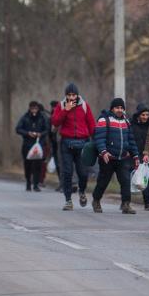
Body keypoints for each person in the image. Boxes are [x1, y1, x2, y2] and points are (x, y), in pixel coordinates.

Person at [51, 82, 95, 211]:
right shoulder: (61, 106)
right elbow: (55, 122)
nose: (71, 97)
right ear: (66, 95)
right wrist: (66, 110)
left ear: (77, 95)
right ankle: (68, 200)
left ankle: (82, 191)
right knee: (67, 173)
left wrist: (96, 141)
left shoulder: (84, 106)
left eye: (73, 95)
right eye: (69, 95)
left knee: (83, 173)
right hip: (66, 143)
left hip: (82, 143)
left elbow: (92, 125)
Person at [91, 98, 140, 214]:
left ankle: (126, 204)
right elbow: (99, 138)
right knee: (103, 182)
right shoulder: (104, 120)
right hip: (107, 158)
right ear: (112, 109)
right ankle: (96, 200)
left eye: (122, 108)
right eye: (117, 108)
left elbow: (131, 140)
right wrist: (103, 151)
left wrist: (135, 156)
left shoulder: (126, 122)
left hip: (123, 158)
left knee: (125, 181)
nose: (120, 110)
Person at [16, 101, 49, 191]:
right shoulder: (25, 117)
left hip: (39, 144)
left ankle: (36, 184)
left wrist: (40, 134)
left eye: (35, 108)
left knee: (38, 165)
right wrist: (28, 133)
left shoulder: (42, 117)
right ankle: (28, 182)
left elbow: (47, 129)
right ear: (30, 108)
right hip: (27, 144)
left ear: (38, 109)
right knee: (28, 165)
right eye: (32, 109)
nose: (34, 110)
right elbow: (18, 129)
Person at [131, 103, 149, 211]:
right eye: (143, 115)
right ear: (138, 115)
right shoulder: (131, 124)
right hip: (133, 156)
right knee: (128, 178)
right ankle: (126, 202)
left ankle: (148, 203)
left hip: (147, 156)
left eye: (147, 115)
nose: (145, 117)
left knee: (147, 179)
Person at [48, 100, 62, 192]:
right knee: (58, 164)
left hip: (59, 143)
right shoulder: (51, 117)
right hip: (54, 143)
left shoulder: (59, 116)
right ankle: (61, 182)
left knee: (61, 164)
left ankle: (63, 183)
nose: (53, 108)